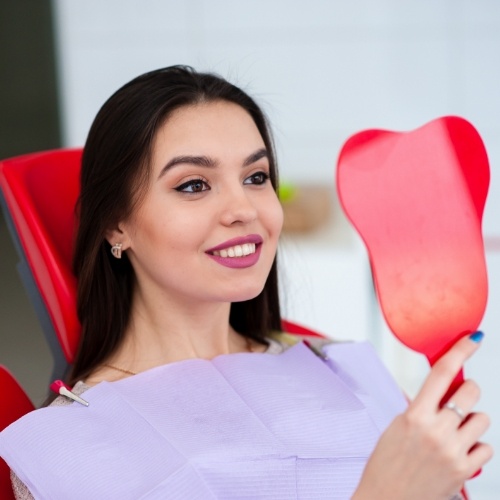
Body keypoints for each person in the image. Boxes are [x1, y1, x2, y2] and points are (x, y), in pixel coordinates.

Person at [0, 66, 492, 499]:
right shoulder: (66, 448)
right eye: (194, 184)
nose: (244, 210)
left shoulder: (341, 367)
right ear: (115, 225)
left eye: (256, 177)